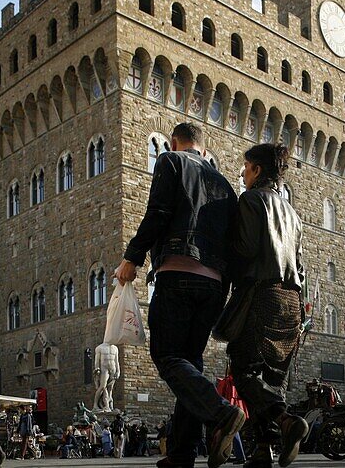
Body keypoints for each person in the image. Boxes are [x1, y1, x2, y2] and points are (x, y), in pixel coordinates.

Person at [114, 122, 245, 468]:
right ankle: (182, 452)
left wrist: (132, 257)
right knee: (192, 362)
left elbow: (157, 213)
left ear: (174, 143)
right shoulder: (225, 185)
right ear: (203, 149)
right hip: (214, 285)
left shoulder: (170, 161)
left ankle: (221, 414)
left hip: (177, 272)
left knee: (167, 355)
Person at [226, 143, 310, 468]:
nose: (242, 173)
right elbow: (300, 265)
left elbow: (245, 250)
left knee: (243, 368)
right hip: (293, 300)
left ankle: (285, 420)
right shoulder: (293, 213)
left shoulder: (251, 199)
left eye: (246, 167)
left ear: (258, 170)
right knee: (273, 376)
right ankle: (265, 448)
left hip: (263, 294)